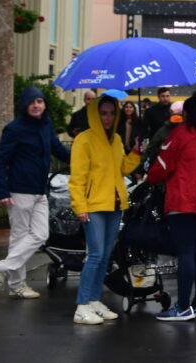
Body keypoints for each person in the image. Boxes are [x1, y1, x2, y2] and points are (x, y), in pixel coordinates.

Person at [147, 96, 196, 321]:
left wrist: (149, 179)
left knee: (185, 254)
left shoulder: (180, 134)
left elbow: (161, 166)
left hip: (183, 202)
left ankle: (182, 307)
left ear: (186, 114)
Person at [0, 86, 71, 301]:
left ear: (44, 104)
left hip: (40, 190)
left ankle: (2, 269)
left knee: (41, 234)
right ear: (25, 105)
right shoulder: (14, 129)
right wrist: (2, 190)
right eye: (32, 102)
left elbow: (58, 149)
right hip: (19, 191)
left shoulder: (46, 125)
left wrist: (82, 159)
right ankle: (17, 286)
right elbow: (0, 161)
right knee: (19, 237)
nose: (36, 105)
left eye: (40, 101)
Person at [68, 95, 142, 325]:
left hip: (114, 204)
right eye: (103, 113)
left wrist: (137, 152)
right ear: (95, 114)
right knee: (96, 255)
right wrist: (80, 206)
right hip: (93, 206)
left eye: (111, 113)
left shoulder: (117, 139)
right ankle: (82, 305)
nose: (108, 117)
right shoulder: (84, 140)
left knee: (105, 256)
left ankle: (93, 300)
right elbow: (77, 178)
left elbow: (122, 169)